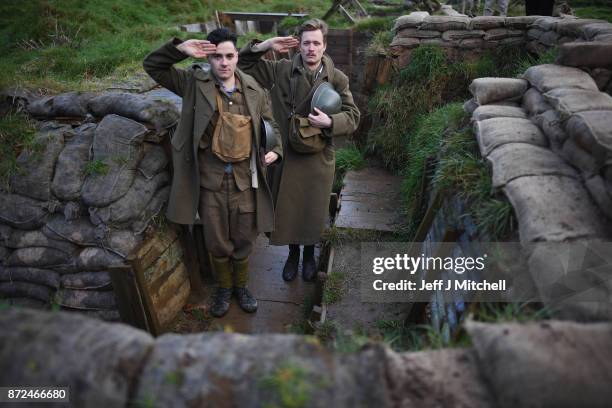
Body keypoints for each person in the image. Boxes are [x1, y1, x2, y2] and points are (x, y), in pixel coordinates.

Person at [143, 28, 283, 318]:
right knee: (216, 239)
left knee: (245, 236)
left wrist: (275, 150)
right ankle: (223, 288)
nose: (223, 63)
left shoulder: (254, 90)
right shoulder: (195, 83)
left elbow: (271, 126)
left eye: (229, 56)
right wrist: (180, 50)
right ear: (210, 58)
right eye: (217, 57)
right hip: (210, 179)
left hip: (246, 179)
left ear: (236, 57)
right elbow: (153, 66)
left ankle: (241, 287)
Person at [238, 19, 360, 282]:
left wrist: (330, 122)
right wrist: (266, 45)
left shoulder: (337, 78)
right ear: (299, 47)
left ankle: (308, 255)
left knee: (312, 210)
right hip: (288, 155)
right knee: (289, 210)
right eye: (306, 43)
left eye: (317, 43)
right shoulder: (281, 69)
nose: (311, 48)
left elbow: (353, 116)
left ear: (324, 45)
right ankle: (293, 254)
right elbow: (243, 65)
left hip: (318, 156)